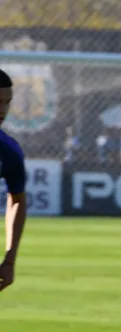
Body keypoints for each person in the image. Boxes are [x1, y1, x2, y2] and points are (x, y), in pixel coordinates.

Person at [0, 68, 27, 293]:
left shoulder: (8, 151)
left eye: (7, 103)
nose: (2, 110)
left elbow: (16, 199)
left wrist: (9, 260)